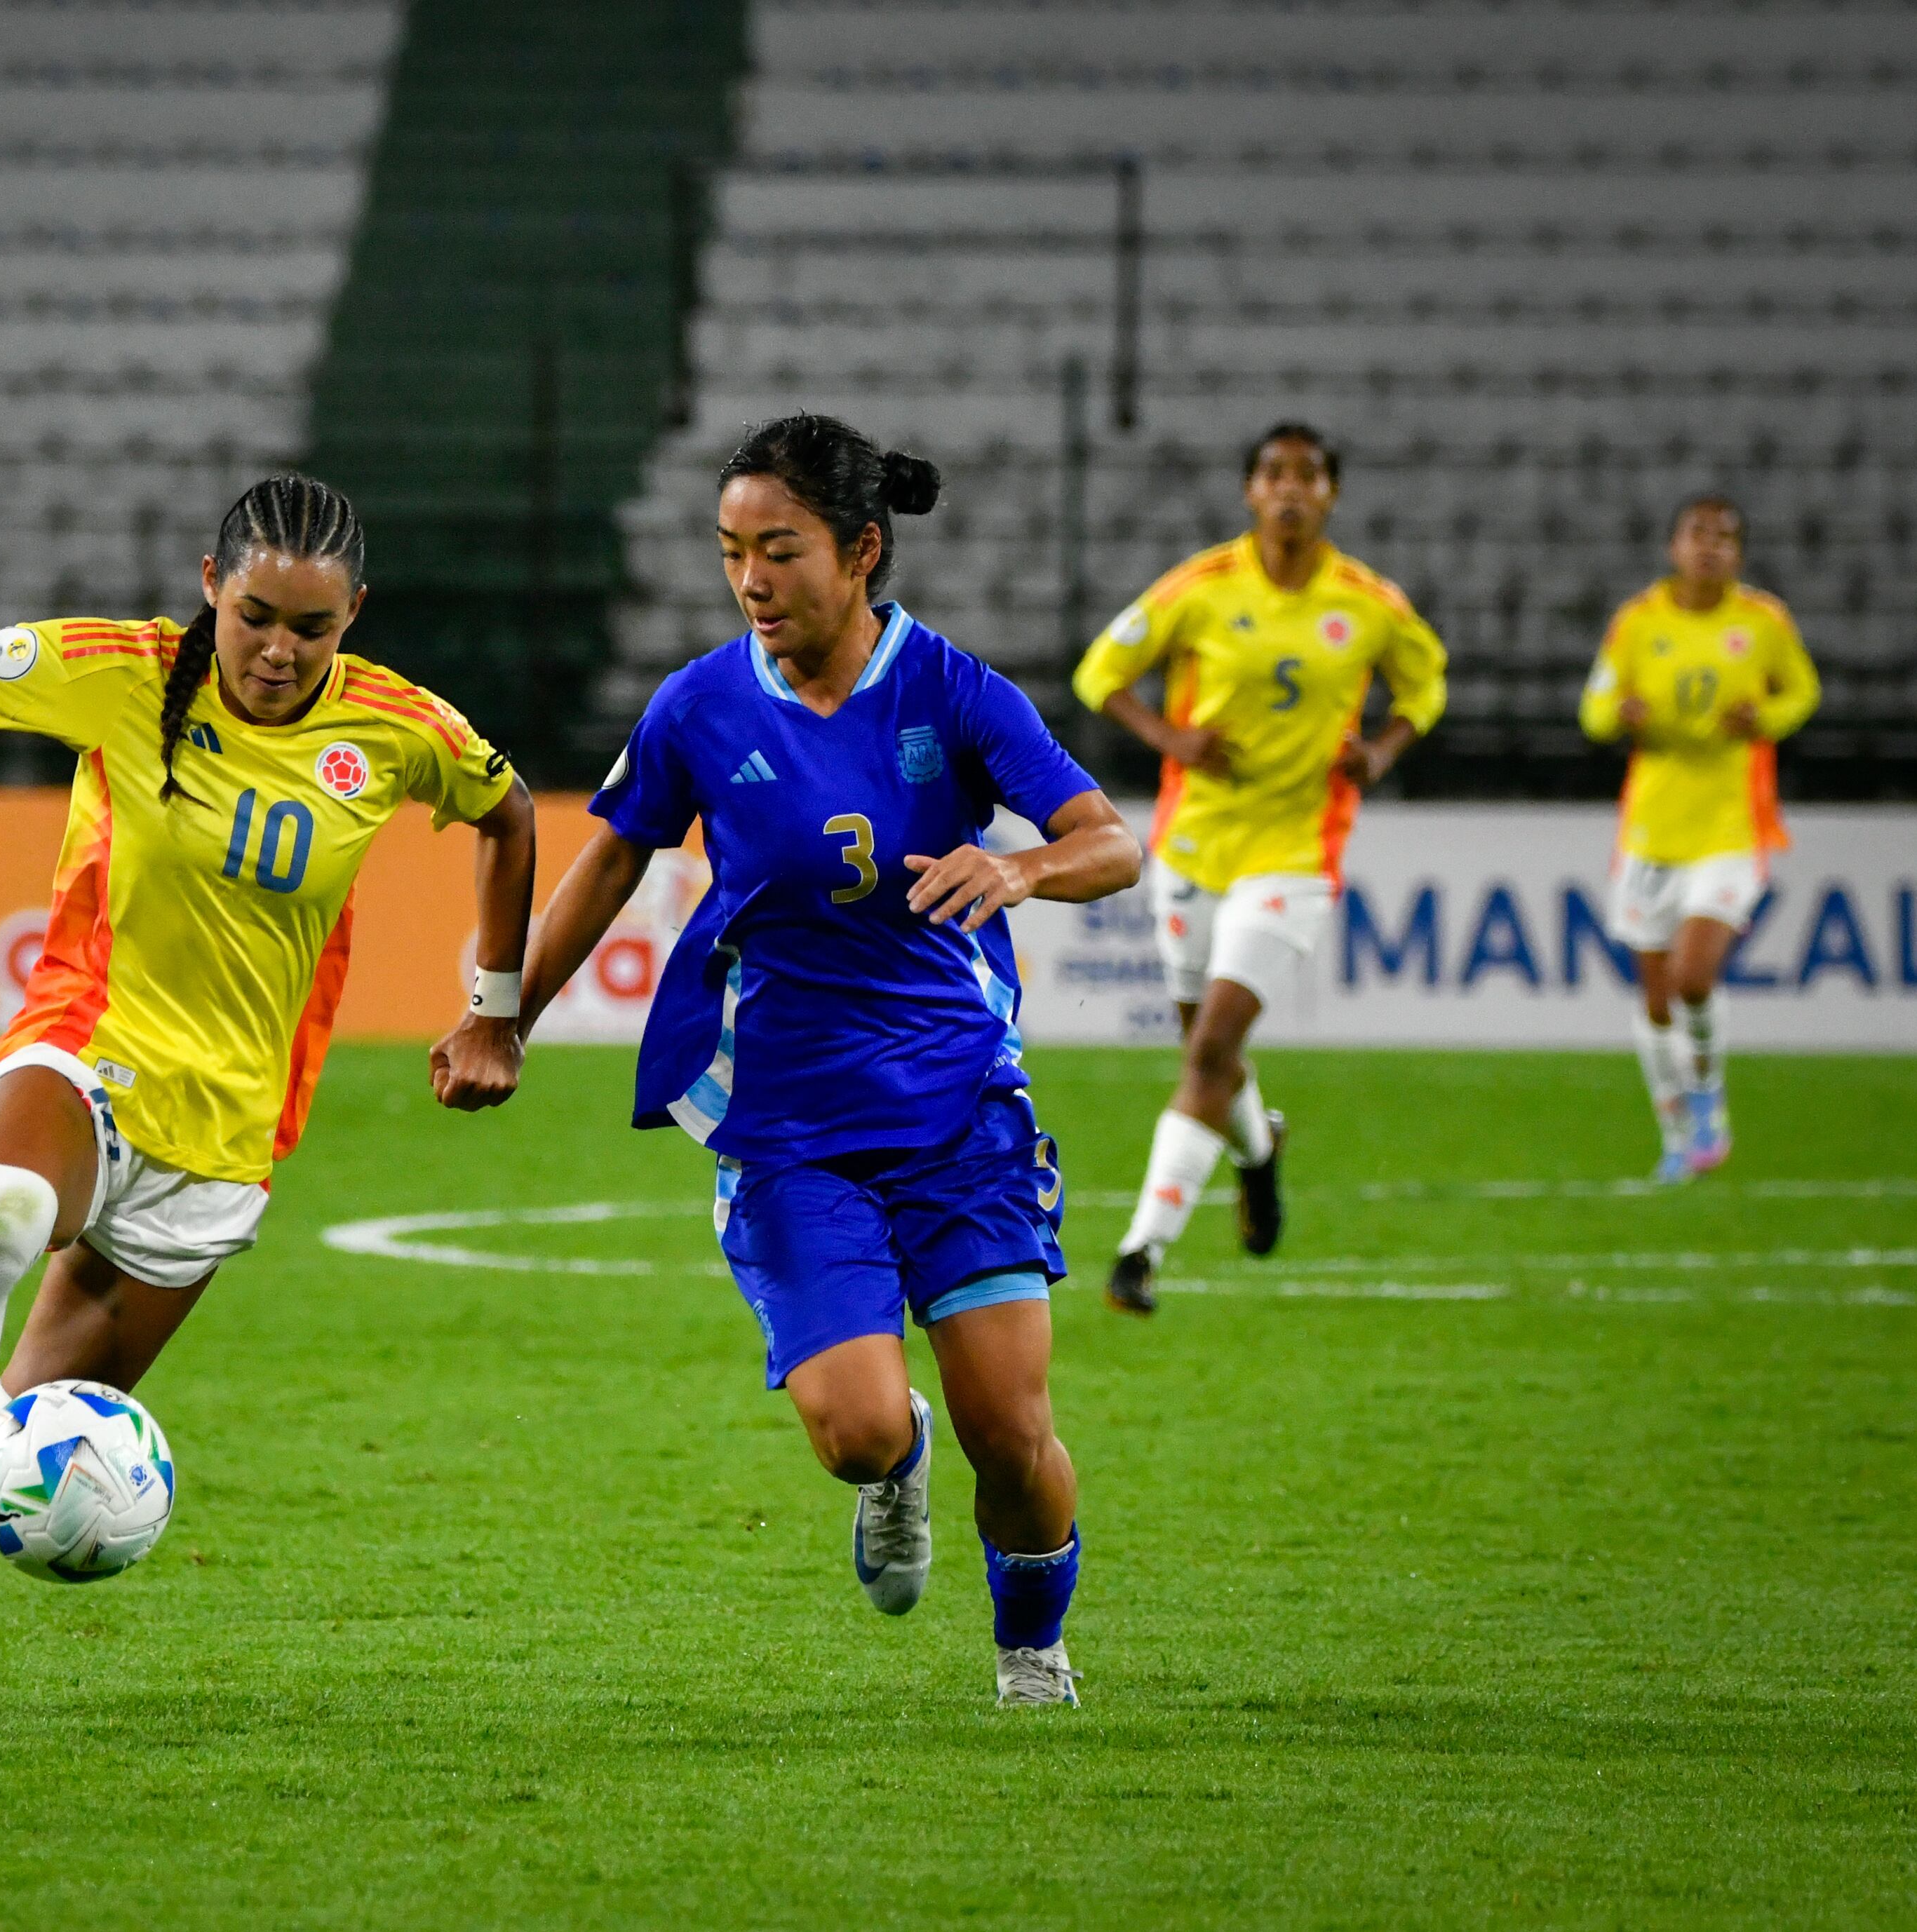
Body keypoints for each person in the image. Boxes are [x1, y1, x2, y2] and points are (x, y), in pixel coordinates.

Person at [0, 475, 537, 1722]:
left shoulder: (400, 731)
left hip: (226, 1132)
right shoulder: (118, 670)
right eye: (253, 617)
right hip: (84, 1041)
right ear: (208, 587)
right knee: (3, 1213)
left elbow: (507, 813)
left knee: (16, 1450)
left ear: (355, 614)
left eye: (312, 627)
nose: (279, 650)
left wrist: (492, 1004)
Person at [520, 414, 1140, 1707]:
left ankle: (1032, 1654)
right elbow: (610, 856)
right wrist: (496, 1013)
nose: (750, 580)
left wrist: (1018, 862)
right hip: (790, 1123)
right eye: (731, 551)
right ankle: (893, 1465)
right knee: (861, 1430)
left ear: (860, 552)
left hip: (959, 1107)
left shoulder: (955, 693)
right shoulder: (696, 703)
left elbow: (1109, 841)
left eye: (779, 551)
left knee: (1012, 1434)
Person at [1072, 423, 1446, 1315]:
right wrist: (1171, 737)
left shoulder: (1367, 604)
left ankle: (1139, 1252)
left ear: (1331, 495)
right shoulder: (1201, 588)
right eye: (1273, 473)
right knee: (1211, 1051)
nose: (1289, 489)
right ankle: (1257, 1152)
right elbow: (1100, 673)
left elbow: (1426, 685)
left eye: (1307, 475)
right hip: (1195, 846)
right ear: (1250, 491)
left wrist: (1385, 748)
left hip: (1294, 854)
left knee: (1208, 1052)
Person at [1581, 494, 1819, 1182]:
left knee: (1691, 977)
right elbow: (1592, 707)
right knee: (1654, 998)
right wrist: (1618, 713)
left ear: (1737, 554)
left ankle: (1707, 1091)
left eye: (1724, 538)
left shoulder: (1762, 621)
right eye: (1697, 534)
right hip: (1652, 830)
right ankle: (1677, 1130)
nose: (1710, 547)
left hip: (1729, 825)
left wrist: (1764, 715)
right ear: (1673, 546)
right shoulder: (1638, 622)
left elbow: (1802, 693)